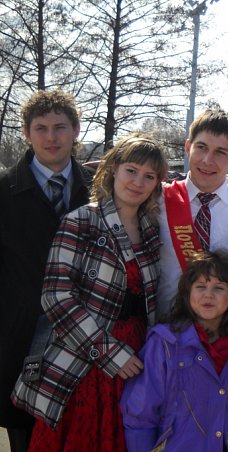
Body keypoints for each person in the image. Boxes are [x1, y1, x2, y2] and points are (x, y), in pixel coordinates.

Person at [11, 134, 168, 452]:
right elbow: (56, 297)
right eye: (131, 170)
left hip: (136, 362)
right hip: (85, 362)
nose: (138, 182)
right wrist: (109, 352)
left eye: (149, 176)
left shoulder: (152, 229)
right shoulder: (81, 221)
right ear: (113, 169)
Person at [0, 90, 93, 452]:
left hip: (87, 340)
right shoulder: (3, 192)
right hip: (21, 344)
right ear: (27, 133)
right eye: (41, 128)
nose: (51, 137)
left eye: (60, 127)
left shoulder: (102, 188)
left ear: (76, 130)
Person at [121, 250, 228, 451]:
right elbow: (140, 414)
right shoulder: (164, 344)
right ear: (187, 293)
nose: (208, 294)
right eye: (200, 286)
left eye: (219, 288)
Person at [157, 109, 228, 316]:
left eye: (221, 152)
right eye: (201, 148)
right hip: (165, 327)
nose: (207, 160)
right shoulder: (158, 199)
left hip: (226, 329)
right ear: (188, 147)